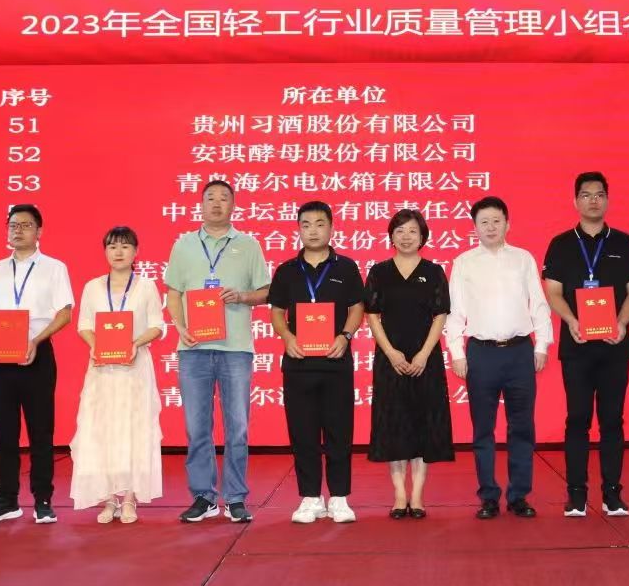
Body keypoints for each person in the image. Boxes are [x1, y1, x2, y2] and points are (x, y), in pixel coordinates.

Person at [165, 179, 269, 524]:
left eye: (224, 198)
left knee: (237, 427)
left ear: (233, 206)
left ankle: (235, 497)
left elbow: (266, 290)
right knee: (197, 428)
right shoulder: (183, 245)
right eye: (210, 198)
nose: (216, 203)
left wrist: (242, 296)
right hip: (193, 349)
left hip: (235, 349)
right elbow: (174, 293)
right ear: (201, 204)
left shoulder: (248, 245)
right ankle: (204, 496)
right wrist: (180, 327)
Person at [543, 172, 629, 517]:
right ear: (575, 201)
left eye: (599, 195)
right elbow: (553, 292)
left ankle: (612, 493)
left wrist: (622, 322)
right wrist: (571, 321)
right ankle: (576, 492)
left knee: (612, 420)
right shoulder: (560, 244)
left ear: (607, 200)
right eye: (586, 195)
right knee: (578, 419)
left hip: (614, 345)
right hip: (577, 346)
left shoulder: (624, 243)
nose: (593, 201)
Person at [445, 196, 552, 520]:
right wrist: (456, 353)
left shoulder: (523, 259)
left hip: (520, 352)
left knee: (522, 427)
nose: (491, 227)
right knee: (483, 430)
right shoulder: (464, 262)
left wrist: (541, 345)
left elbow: (538, 303)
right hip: (481, 353)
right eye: (484, 222)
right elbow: (455, 311)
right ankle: (488, 496)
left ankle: (519, 495)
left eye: (496, 221)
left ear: (507, 223)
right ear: (475, 227)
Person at [0, 204, 74, 524]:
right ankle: (6, 499)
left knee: (40, 432)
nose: (17, 230)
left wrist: (36, 340)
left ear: (39, 231)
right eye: (13, 225)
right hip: (0, 359)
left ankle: (43, 499)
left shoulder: (54, 268)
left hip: (37, 354)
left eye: (25, 225)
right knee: (4, 434)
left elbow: (64, 313)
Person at [269, 201, 365, 524]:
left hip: (336, 362)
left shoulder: (346, 268)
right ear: (298, 229)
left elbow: (356, 307)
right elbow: (277, 311)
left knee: (339, 431)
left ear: (331, 228)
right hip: (298, 364)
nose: (313, 230)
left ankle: (339, 497)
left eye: (320, 224)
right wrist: (287, 337)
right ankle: (310, 497)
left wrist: (345, 336)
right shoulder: (286, 270)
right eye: (306, 224)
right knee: (303, 433)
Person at [71, 226, 164, 523]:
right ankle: (108, 499)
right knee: (102, 430)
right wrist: (97, 346)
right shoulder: (92, 287)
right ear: (105, 252)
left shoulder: (146, 286)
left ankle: (129, 499)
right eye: (112, 247)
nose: (118, 252)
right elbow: (84, 324)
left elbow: (157, 326)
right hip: (102, 370)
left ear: (136, 252)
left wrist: (134, 344)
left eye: (125, 246)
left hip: (135, 370)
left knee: (134, 430)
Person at [365, 209, 453, 519]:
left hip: (425, 359)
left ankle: (417, 496)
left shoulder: (434, 271)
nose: (406, 237)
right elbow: (372, 315)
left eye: (413, 231)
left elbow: (440, 315)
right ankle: (399, 495)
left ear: (423, 237)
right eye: (400, 231)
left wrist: (424, 354)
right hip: (390, 360)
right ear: (391, 236)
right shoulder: (379, 272)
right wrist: (390, 352)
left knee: (422, 424)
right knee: (394, 425)